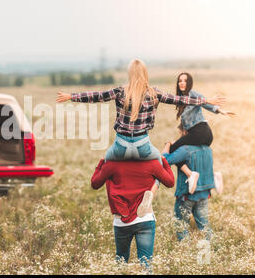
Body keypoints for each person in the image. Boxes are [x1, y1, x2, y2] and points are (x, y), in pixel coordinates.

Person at [57, 59, 225, 216]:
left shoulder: (120, 91)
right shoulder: (154, 93)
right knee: (162, 165)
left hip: (120, 146)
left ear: (130, 75)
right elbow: (180, 99)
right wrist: (207, 100)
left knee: (104, 170)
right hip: (143, 146)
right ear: (145, 74)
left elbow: (96, 96)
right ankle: (150, 196)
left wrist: (71, 96)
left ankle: (117, 206)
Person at [90, 156, 175, 271]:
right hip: (145, 219)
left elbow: (95, 184)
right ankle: (151, 191)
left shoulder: (112, 164)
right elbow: (170, 182)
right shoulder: (151, 163)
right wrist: (163, 161)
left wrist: (101, 162)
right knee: (146, 264)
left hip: (121, 221)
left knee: (121, 260)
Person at [168, 72, 235, 194]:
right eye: (180, 81)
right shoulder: (180, 100)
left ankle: (190, 174)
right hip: (202, 134)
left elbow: (205, 103)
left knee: (173, 149)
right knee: (196, 156)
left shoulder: (192, 94)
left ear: (190, 83)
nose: (182, 83)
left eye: (185, 81)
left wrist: (219, 110)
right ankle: (214, 176)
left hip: (200, 132)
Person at [161, 135, 217, 241]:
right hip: (204, 193)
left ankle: (184, 247)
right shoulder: (208, 149)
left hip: (186, 194)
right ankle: (210, 248)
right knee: (204, 225)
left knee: (181, 225)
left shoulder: (185, 150)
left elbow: (164, 160)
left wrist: (168, 144)